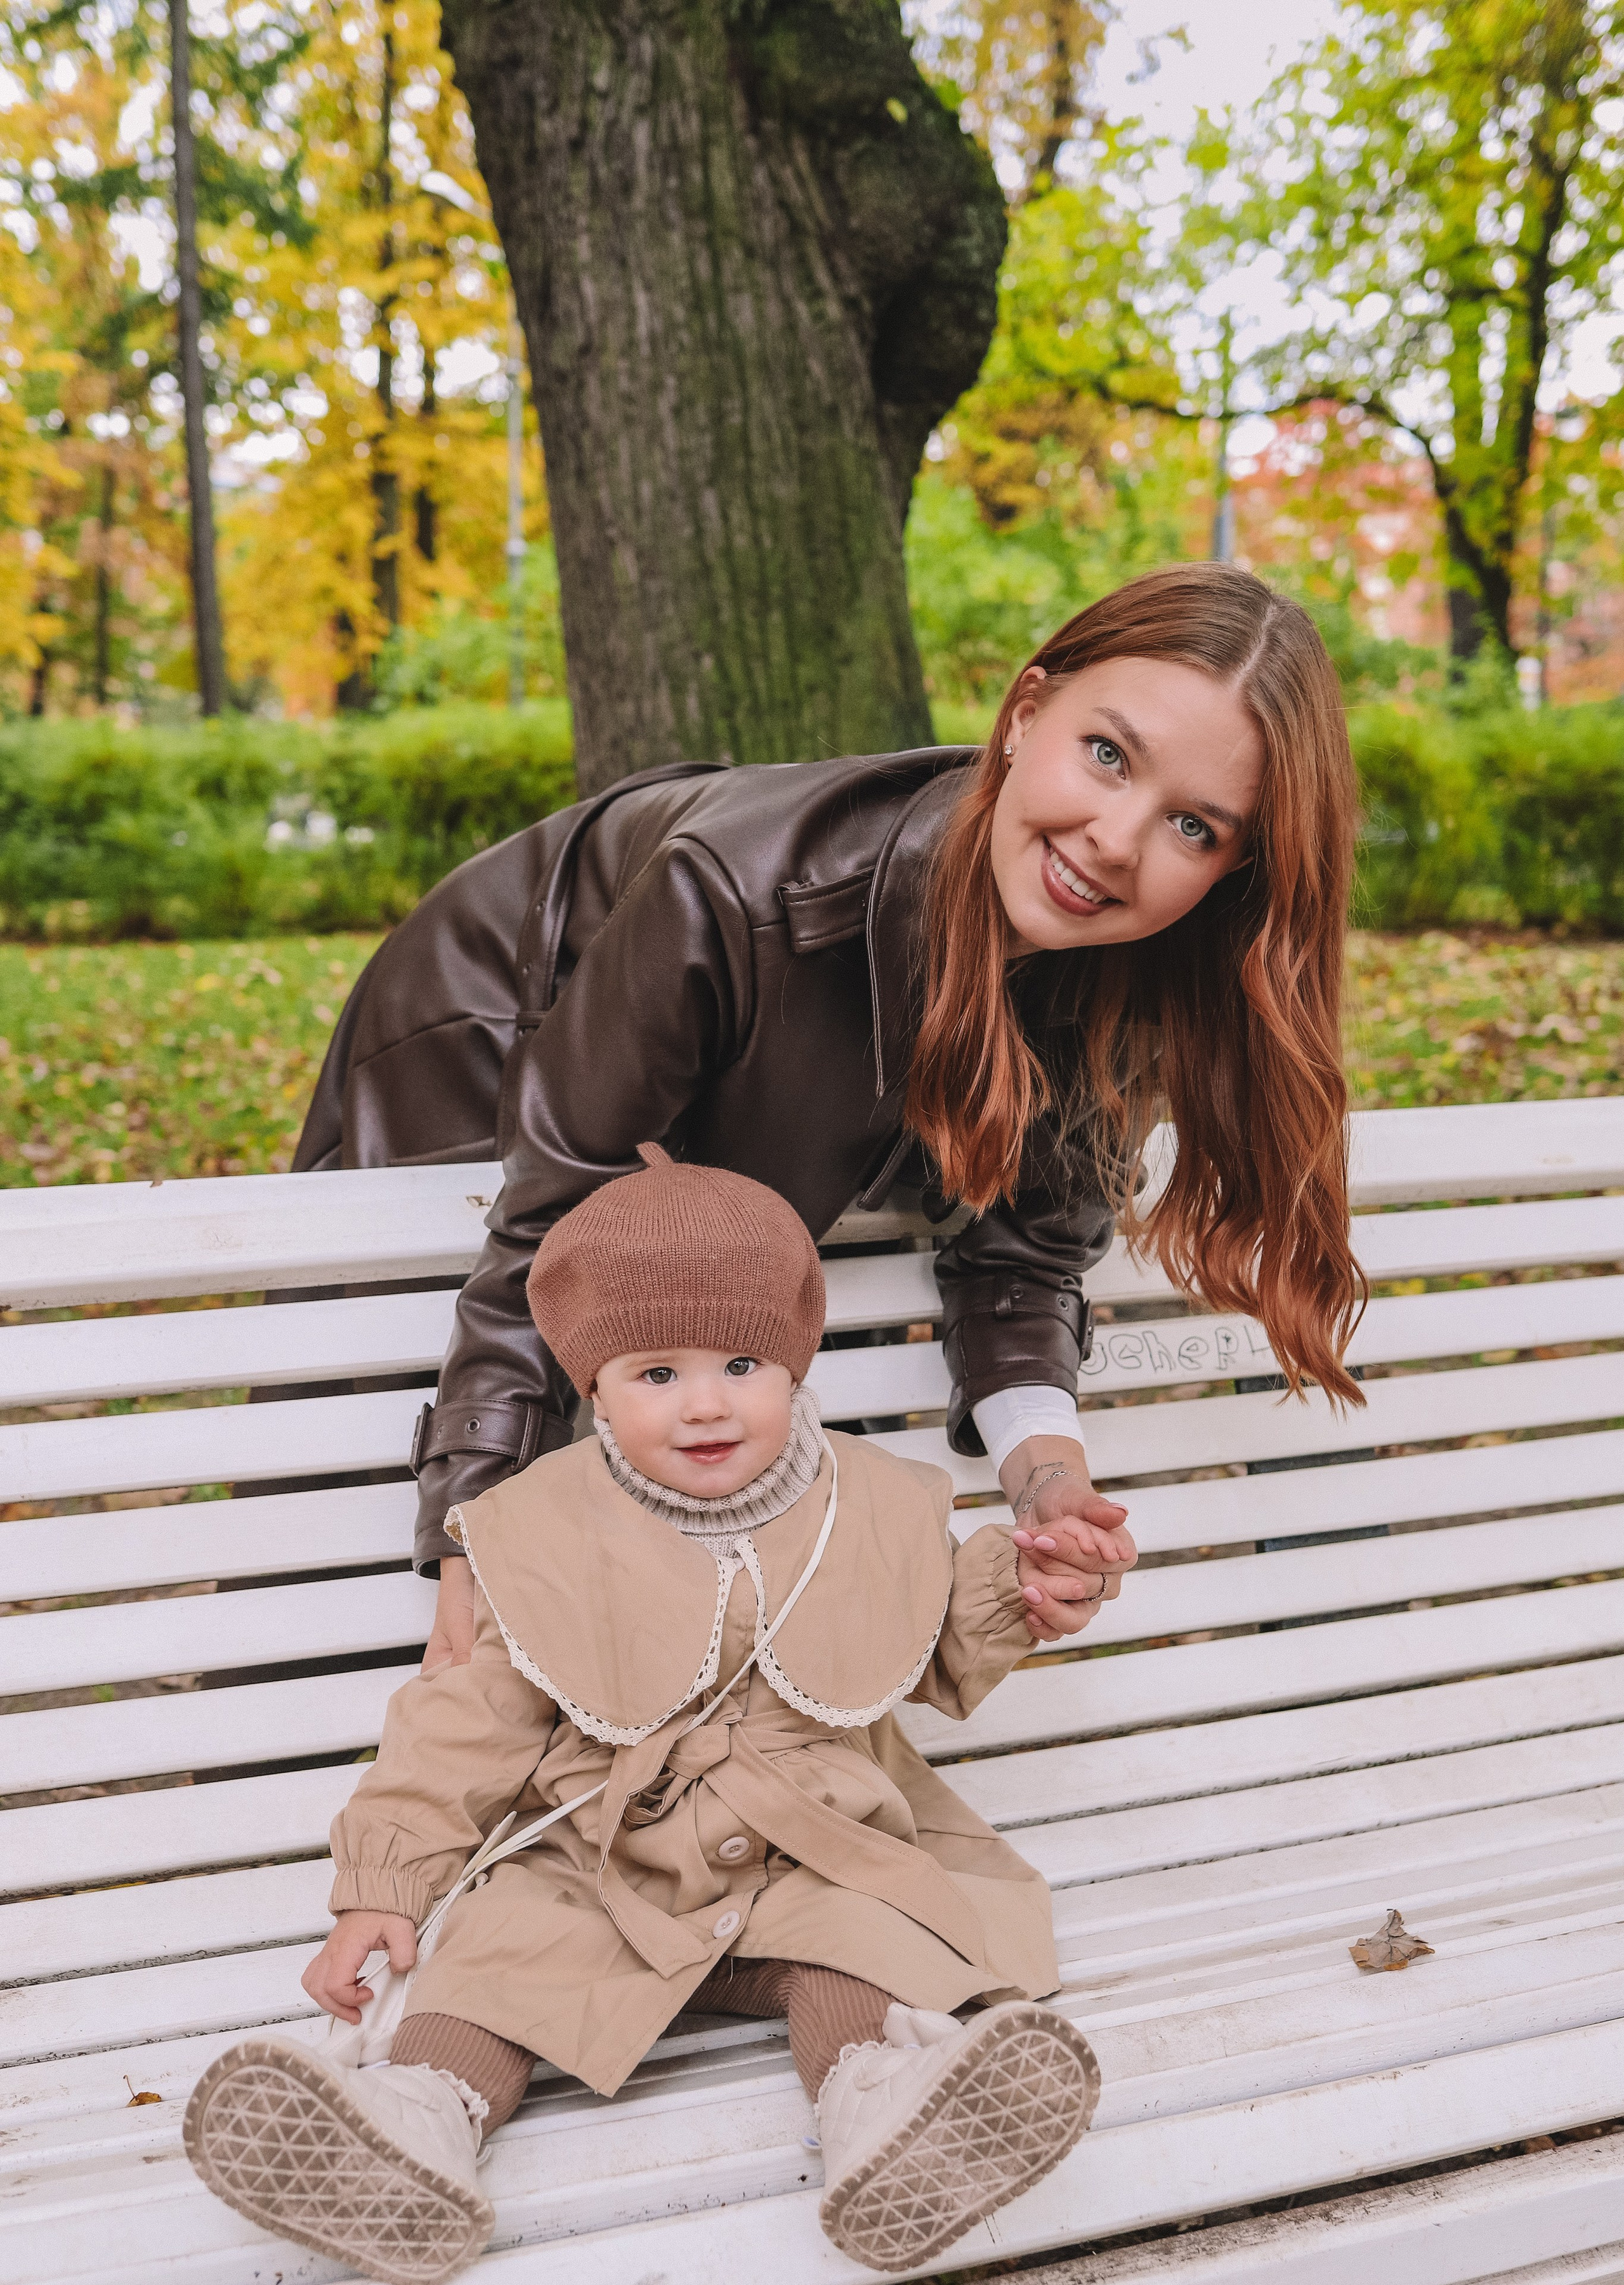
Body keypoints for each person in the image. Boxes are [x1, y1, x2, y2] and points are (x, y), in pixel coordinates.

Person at [292, 560, 1365, 1672]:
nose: (1116, 839)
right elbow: (552, 1222)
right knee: (364, 1486)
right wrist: (479, 1528)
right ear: (1025, 714)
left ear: (1234, 869)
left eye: (1192, 825)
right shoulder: (736, 892)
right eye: (1107, 754)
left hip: (694, 1155)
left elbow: (1023, 1263)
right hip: (483, 1034)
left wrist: (1049, 1484)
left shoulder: (1130, 978)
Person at [184, 1152, 1103, 2285]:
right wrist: (385, 1881)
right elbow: (465, 1722)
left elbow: (930, 1643)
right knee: (500, 1952)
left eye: (742, 1363)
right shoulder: (542, 1525)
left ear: (795, 1361)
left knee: (868, 1941)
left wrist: (1024, 1587)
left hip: (814, 1848)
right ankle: (411, 2124)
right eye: (657, 1371)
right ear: (596, 1386)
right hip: (601, 1856)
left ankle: (889, 2109)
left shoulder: (874, 1501)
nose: (706, 1402)